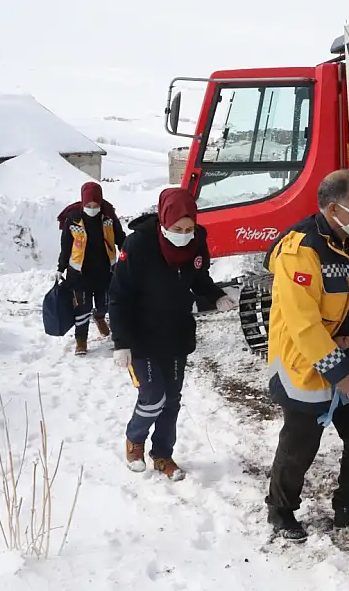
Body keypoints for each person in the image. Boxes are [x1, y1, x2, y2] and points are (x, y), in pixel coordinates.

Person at [262, 168, 349, 542]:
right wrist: (339, 370)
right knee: (300, 443)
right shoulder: (300, 252)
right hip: (305, 360)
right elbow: (303, 324)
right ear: (334, 209)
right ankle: (280, 511)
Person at [108, 188, 236, 481]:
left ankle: (163, 454)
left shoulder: (197, 241)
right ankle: (134, 439)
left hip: (177, 335)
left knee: (172, 400)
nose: (184, 234)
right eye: (177, 229)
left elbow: (199, 279)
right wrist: (121, 342)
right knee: (153, 396)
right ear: (163, 222)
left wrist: (216, 296)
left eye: (189, 229)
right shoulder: (139, 244)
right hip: (141, 338)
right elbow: (119, 295)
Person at [56, 181, 126, 355]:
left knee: (104, 304)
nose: (92, 207)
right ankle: (81, 340)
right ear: (83, 202)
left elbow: (120, 238)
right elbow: (66, 245)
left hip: (105, 272)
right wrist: (60, 267)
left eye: (96, 204)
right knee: (82, 307)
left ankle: (100, 316)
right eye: (88, 204)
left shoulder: (109, 218)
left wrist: (129, 255)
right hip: (79, 273)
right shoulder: (73, 219)